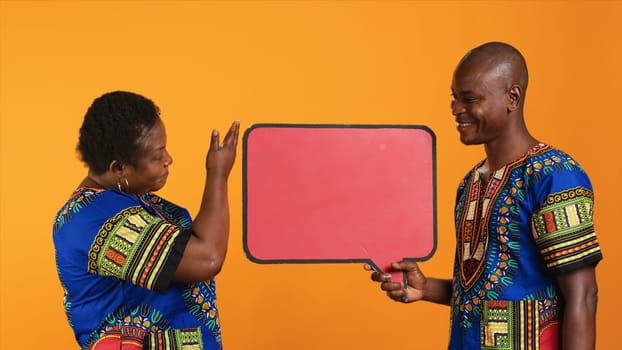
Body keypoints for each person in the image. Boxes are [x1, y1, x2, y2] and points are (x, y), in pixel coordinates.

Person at [366, 42, 603, 349]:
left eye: (469, 99)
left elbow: (583, 295)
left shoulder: (554, 176)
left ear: (512, 98)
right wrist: (426, 289)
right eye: (454, 98)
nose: (456, 110)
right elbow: (484, 295)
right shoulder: (470, 183)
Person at [52, 91, 240, 349]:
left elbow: (193, 249)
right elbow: (207, 258)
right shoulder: (94, 221)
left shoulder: (132, 202)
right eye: (157, 156)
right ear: (119, 168)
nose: (168, 160)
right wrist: (218, 173)